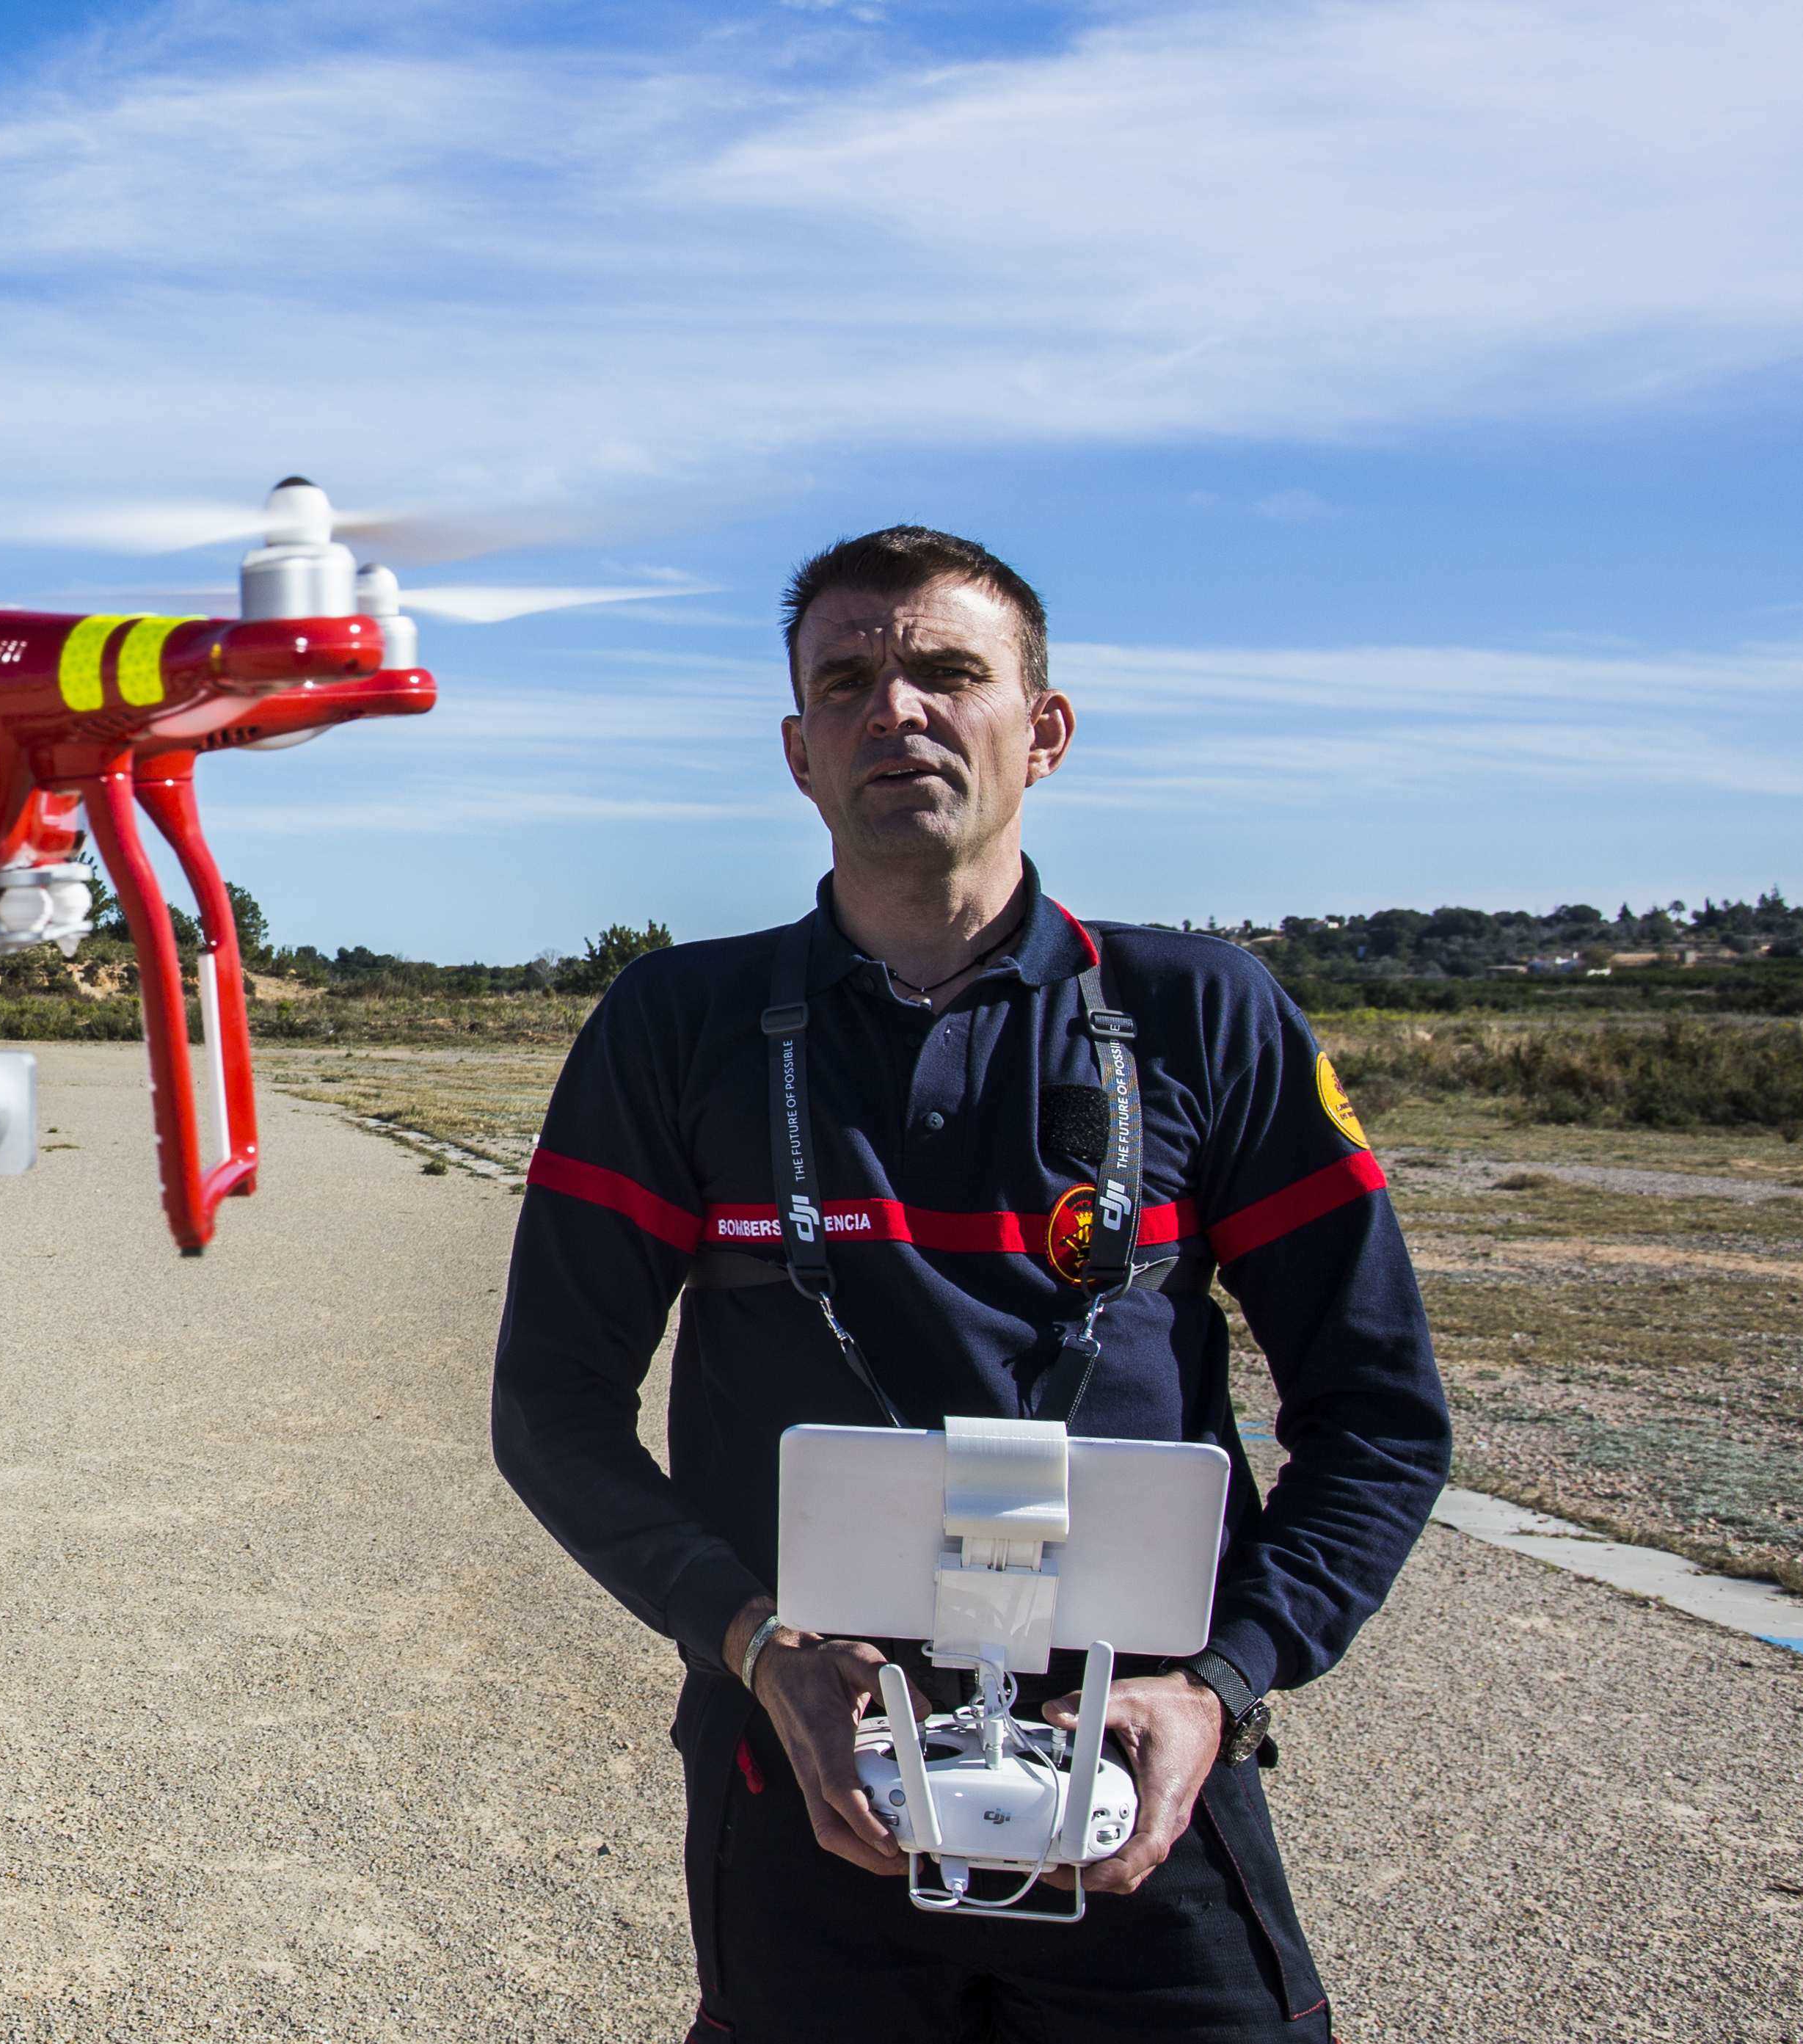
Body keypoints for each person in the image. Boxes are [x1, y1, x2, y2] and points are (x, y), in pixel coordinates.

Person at [489, 527, 1450, 2042]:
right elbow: (550, 1407)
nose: (898, 711)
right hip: (800, 1757)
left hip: (1133, 1763)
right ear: (798, 750)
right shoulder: (679, 1025)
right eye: (849, 680)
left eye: (948, 671)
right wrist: (752, 1644)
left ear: (1043, 730)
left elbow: (1380, 1414)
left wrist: (1220, 1680)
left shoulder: (1200, 1015)